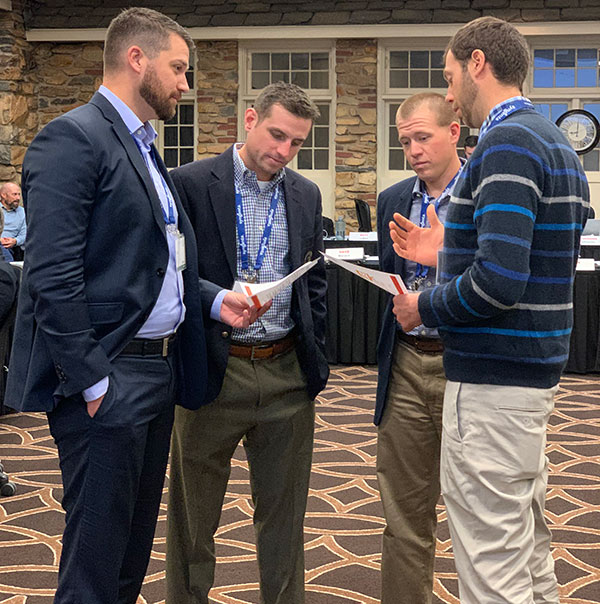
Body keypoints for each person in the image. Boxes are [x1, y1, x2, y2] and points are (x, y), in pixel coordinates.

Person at [5, 8, 210, 604]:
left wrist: (216, 302)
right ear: (136, 59)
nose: (184, 84)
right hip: (110, 375)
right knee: (94, 564)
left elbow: (151, 265)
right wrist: (93, 380)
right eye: (178, 68)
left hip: (156, 370)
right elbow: (50, 275)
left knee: (128, 558)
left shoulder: (145, 147)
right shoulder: (73, 136)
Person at [390, 16, 590, 604]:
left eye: (450, 76)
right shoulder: (552, 139)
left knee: (491, 571)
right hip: (526, 381)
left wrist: (423, 304)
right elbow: (531, 254)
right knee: (527, 558)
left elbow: (499, 282)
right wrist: (448, 247)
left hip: (493, 386)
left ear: (478, 63)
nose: (450, 94)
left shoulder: (506, 141)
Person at [165, 81, 330, 604]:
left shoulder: (304, 193)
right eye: (277, 135)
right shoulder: (189, 183)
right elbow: (169, 270)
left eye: (297, 143)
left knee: (285, 521)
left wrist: (313, 357)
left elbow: (313, 283)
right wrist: (217, 296)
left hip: (285, 372)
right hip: (215, 368)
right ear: (250, 119)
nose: (283, 152)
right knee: (194, 523)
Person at [375, 92, 462, 604]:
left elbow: (492, 276)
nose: (413, 150)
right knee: (403, 516)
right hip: (405, 362)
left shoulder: (481, 195)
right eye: (405, 140)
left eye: (423, 137)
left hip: (464, 365)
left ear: (454, 133)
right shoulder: (393, 200)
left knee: (478, 512)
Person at [0, 182, 26, 261]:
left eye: (19, 194)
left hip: (12, 247)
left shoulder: (22, 212)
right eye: (14, 194)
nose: (18, 198)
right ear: (3, 195)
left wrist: (15, 241)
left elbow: (24, 233)